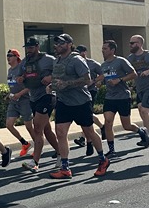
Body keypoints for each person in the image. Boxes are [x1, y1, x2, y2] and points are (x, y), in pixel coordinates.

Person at [47, 34, 110, 179]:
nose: (57, 46)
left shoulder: (77, 60)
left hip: (80, 101)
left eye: (61, 43)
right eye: (56, 43)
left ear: (69, 44)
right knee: (60, 132)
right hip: (63, 101)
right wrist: (52, 85)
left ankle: (103, 159)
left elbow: (87, 80)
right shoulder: (57, 60)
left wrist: (67, 84)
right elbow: (59, 79)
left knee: (89, 132)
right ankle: (65, 168)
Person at [96, 40, 149, 157]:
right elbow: (106, 79)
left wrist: (119, 80)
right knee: (108, 122)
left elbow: (133, 74)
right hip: (110, 97)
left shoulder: (120, 61)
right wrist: (100, 83)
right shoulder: (103, 65)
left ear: (112, 50)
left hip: (123, 96)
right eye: (102, 48)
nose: (102, 51)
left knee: (126, 125)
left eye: (105, 49)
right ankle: (112, 150)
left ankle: (141, 131)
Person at [17, 37, 60, 174]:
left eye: (31, 47)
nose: (28, 50)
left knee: (37, 129)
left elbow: (62, 72)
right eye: (27, 48)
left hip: (47, 96)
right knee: (46, 130)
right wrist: (21, 78)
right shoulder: (25, 62)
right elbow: (20, 76)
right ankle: (61, 153)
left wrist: (50, 78)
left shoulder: (49, 59)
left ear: (37, 47)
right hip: (33, 97)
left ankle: (35, 162)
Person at [73, 44, 105, 156]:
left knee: (87, 115)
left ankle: (86, 140)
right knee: (85, 116)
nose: (78, 54)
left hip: (90, 91)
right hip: (79, 92)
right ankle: (102, 128)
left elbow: (103, 74)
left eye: (80, 52)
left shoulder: (93, 63)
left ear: (85, 52)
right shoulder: (74, 62)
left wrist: (94, 81)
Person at [5, 48, 35, 156]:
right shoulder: (10, 70)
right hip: (14, 101)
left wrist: (19, 94)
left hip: (25, 100)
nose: (8, 58)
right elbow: (12, 85)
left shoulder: (22, 69)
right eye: (7, 56)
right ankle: (24, 143)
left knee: (28, 125)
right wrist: (10, 95)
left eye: (10, 55)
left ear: (16, 57)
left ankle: (38, 146)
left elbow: (30, 86)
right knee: (9, 124)